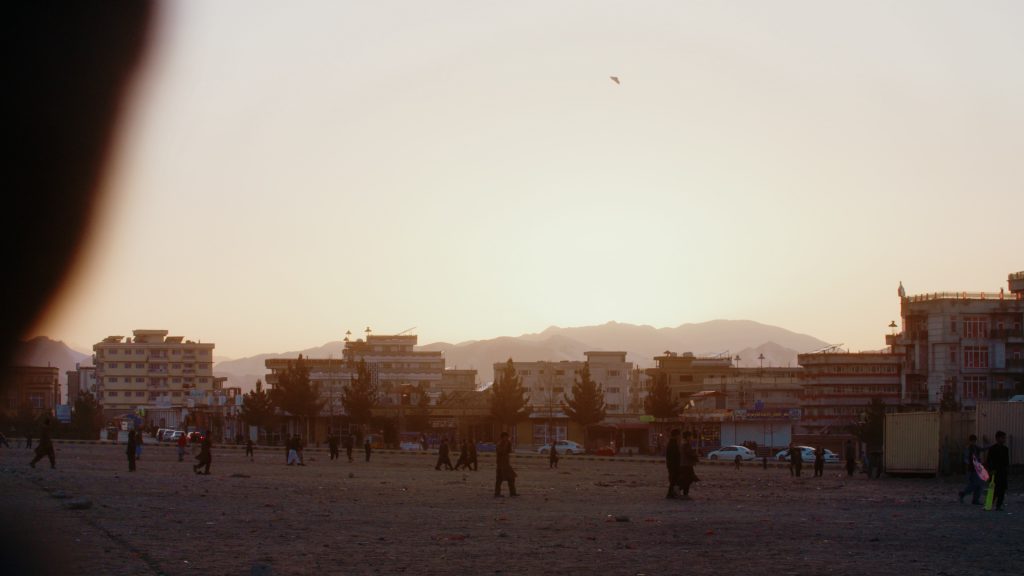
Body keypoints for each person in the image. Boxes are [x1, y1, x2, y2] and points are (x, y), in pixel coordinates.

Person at [985, 431, 1009, 511]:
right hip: (995, 472)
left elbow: (1006, 462)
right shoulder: (992, 449)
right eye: (1003, 438)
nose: (1004, 439)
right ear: (997, 438)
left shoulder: (1005, 449)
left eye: (1004, 438)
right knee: (993, 490)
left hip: (1003, 472)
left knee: (1002, 490)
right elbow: (988, 461)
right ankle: (988, 505)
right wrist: (991, 470)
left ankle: (998, 505)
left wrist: (1007, 470)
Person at [958, 434, 984, 505]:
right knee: (974, 484)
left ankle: (974, 499)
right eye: (972, 441)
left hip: (976, 469)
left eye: (974, 441)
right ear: (970, 441)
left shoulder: (975, 447)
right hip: (971, 470)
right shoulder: (968, 448)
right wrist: (968, 464)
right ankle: (964, 494)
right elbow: (965, 458)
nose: (973, 442)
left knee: (978, 484)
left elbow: (982, 449)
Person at [494, 431, 517, 497]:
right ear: (502, 437)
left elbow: (509, 451)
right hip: (501, 465)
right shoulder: (499, 444)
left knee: (511, 478)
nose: (507, 438)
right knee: (499, 479)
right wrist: (506, 445)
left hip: (506, 465)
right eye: (506, 437)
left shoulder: (507, 443)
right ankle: (497, 493)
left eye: (507, 437)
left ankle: (512, 492)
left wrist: (509, 444)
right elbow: (501, 452)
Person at [678, 430, 699, 499]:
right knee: (688, 479)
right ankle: (681, 490)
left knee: (687, 479)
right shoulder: (686, 444)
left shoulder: (684, 443)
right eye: (690, 436)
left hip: (685, 464)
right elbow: (689, 453)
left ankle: (681, 490)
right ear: (687, 437)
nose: (691, 438)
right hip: (686, 465)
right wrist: (695, 456)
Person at [665, 429, 681, 499]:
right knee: (673, 479)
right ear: (676, 435)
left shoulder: (672, 443)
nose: (679, 436)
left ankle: (671, 493)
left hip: (671, 464)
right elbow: (675, 456)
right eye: (679, 435)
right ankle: (670, 494)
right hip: (673, 465)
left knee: (673, 479)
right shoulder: (673, 444)